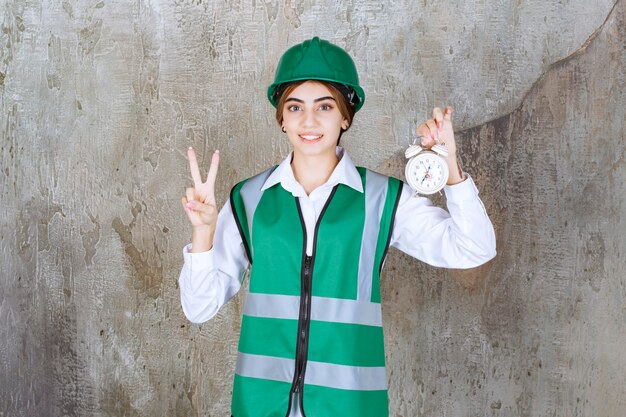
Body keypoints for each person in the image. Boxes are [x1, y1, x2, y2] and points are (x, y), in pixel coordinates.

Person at [179, 37, 496, 417]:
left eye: (325, 106)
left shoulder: (382, 199)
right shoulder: (249, 199)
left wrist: (451, 169)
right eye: (295, 107)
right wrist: (202, 232)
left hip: (349, 406)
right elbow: (198, 309)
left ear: (345, 116)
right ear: (282, 118)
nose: (309, 121)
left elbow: (475, 247)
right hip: (261, 405)